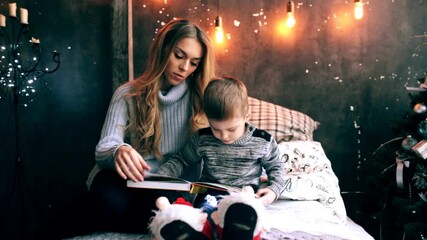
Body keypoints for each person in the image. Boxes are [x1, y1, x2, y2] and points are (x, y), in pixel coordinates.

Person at [38, 18, 216, 239]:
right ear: (162, 50)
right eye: (179, 56)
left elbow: (232, 136)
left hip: (169, 186)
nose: (184, 67)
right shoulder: (127, 93)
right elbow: (105, 147)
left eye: (194, 62)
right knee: (107, 202)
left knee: (158, 209)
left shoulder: (203, 99)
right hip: (122, 180)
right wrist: (119, 150)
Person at [153, 76, 286, 239]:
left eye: (231, 129)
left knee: (243, 214)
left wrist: (273, 190)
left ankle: (238, 231)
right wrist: (160, 176)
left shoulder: (262, 141)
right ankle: (194, 233)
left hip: (245, 194)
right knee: (205, 214)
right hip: (210, 191)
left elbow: (277, 168)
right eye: (216, 129)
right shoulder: (202, 139)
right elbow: (182, 160)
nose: (224, 136)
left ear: (247, 116)